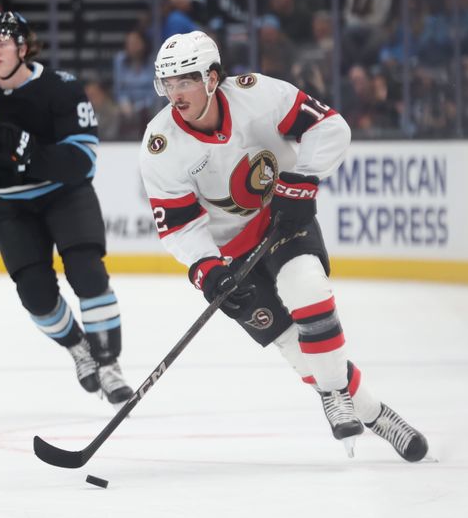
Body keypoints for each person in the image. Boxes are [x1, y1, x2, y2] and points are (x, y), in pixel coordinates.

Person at [138, 30, 429, 461]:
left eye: (186, 81)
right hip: (230, 254)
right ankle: (377, 414)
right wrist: (207, 269)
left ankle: (334, 395)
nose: (175, 94)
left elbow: (331, 127)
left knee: (307, 288)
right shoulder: (160, 144)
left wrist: (304, 179)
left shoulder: (259, 96)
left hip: (280, 218)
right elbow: (179, 225)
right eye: (168, 83)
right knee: (294, 347)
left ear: (213, 78)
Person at [0, 12, 133, 405]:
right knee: (36, 296)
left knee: (88, 274)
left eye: (3, 43)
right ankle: (79, 348)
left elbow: (83, 161)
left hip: (66, 196)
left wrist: (30, 155)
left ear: (23, 47)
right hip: (13, 205)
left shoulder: (61, 88)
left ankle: (108, 363)